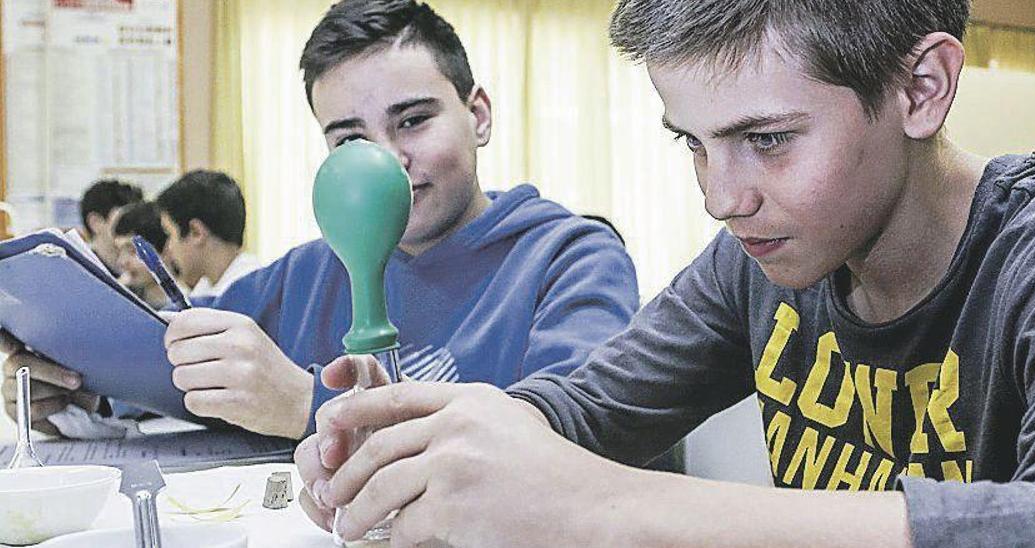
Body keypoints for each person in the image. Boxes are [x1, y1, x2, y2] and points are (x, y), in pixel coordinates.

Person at [294, 0, 1035, 546]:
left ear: (920, 89)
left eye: (767, 140)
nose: (721, 196)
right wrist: (433, 439)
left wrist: (602, 504)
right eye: (693, 146)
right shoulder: (761, 261)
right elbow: (589, 405)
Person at [1, 0, 638, 440]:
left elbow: (571, 436)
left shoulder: (570, 257)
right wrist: (81, 391)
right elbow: (168, 357)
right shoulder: (310, 272)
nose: (387, 162)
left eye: (413, 120)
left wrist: (309, 404)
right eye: (350, 139)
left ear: (479, 116)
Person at [155, 170, 259, 300]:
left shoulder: (250, 295)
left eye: (169, 234)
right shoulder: (205, 288)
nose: (167, 248)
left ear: (196, 233)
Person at [111, 201, 173, 310]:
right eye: (119, 252)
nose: (122, 262)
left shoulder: (192, 303)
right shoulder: (125, 304)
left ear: (165, 250)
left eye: (133, 251)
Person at [77, 179, 143, 273]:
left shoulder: (139, 274)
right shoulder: (80, 275)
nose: (133, 228)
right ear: (95, 223)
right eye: (123, 220)